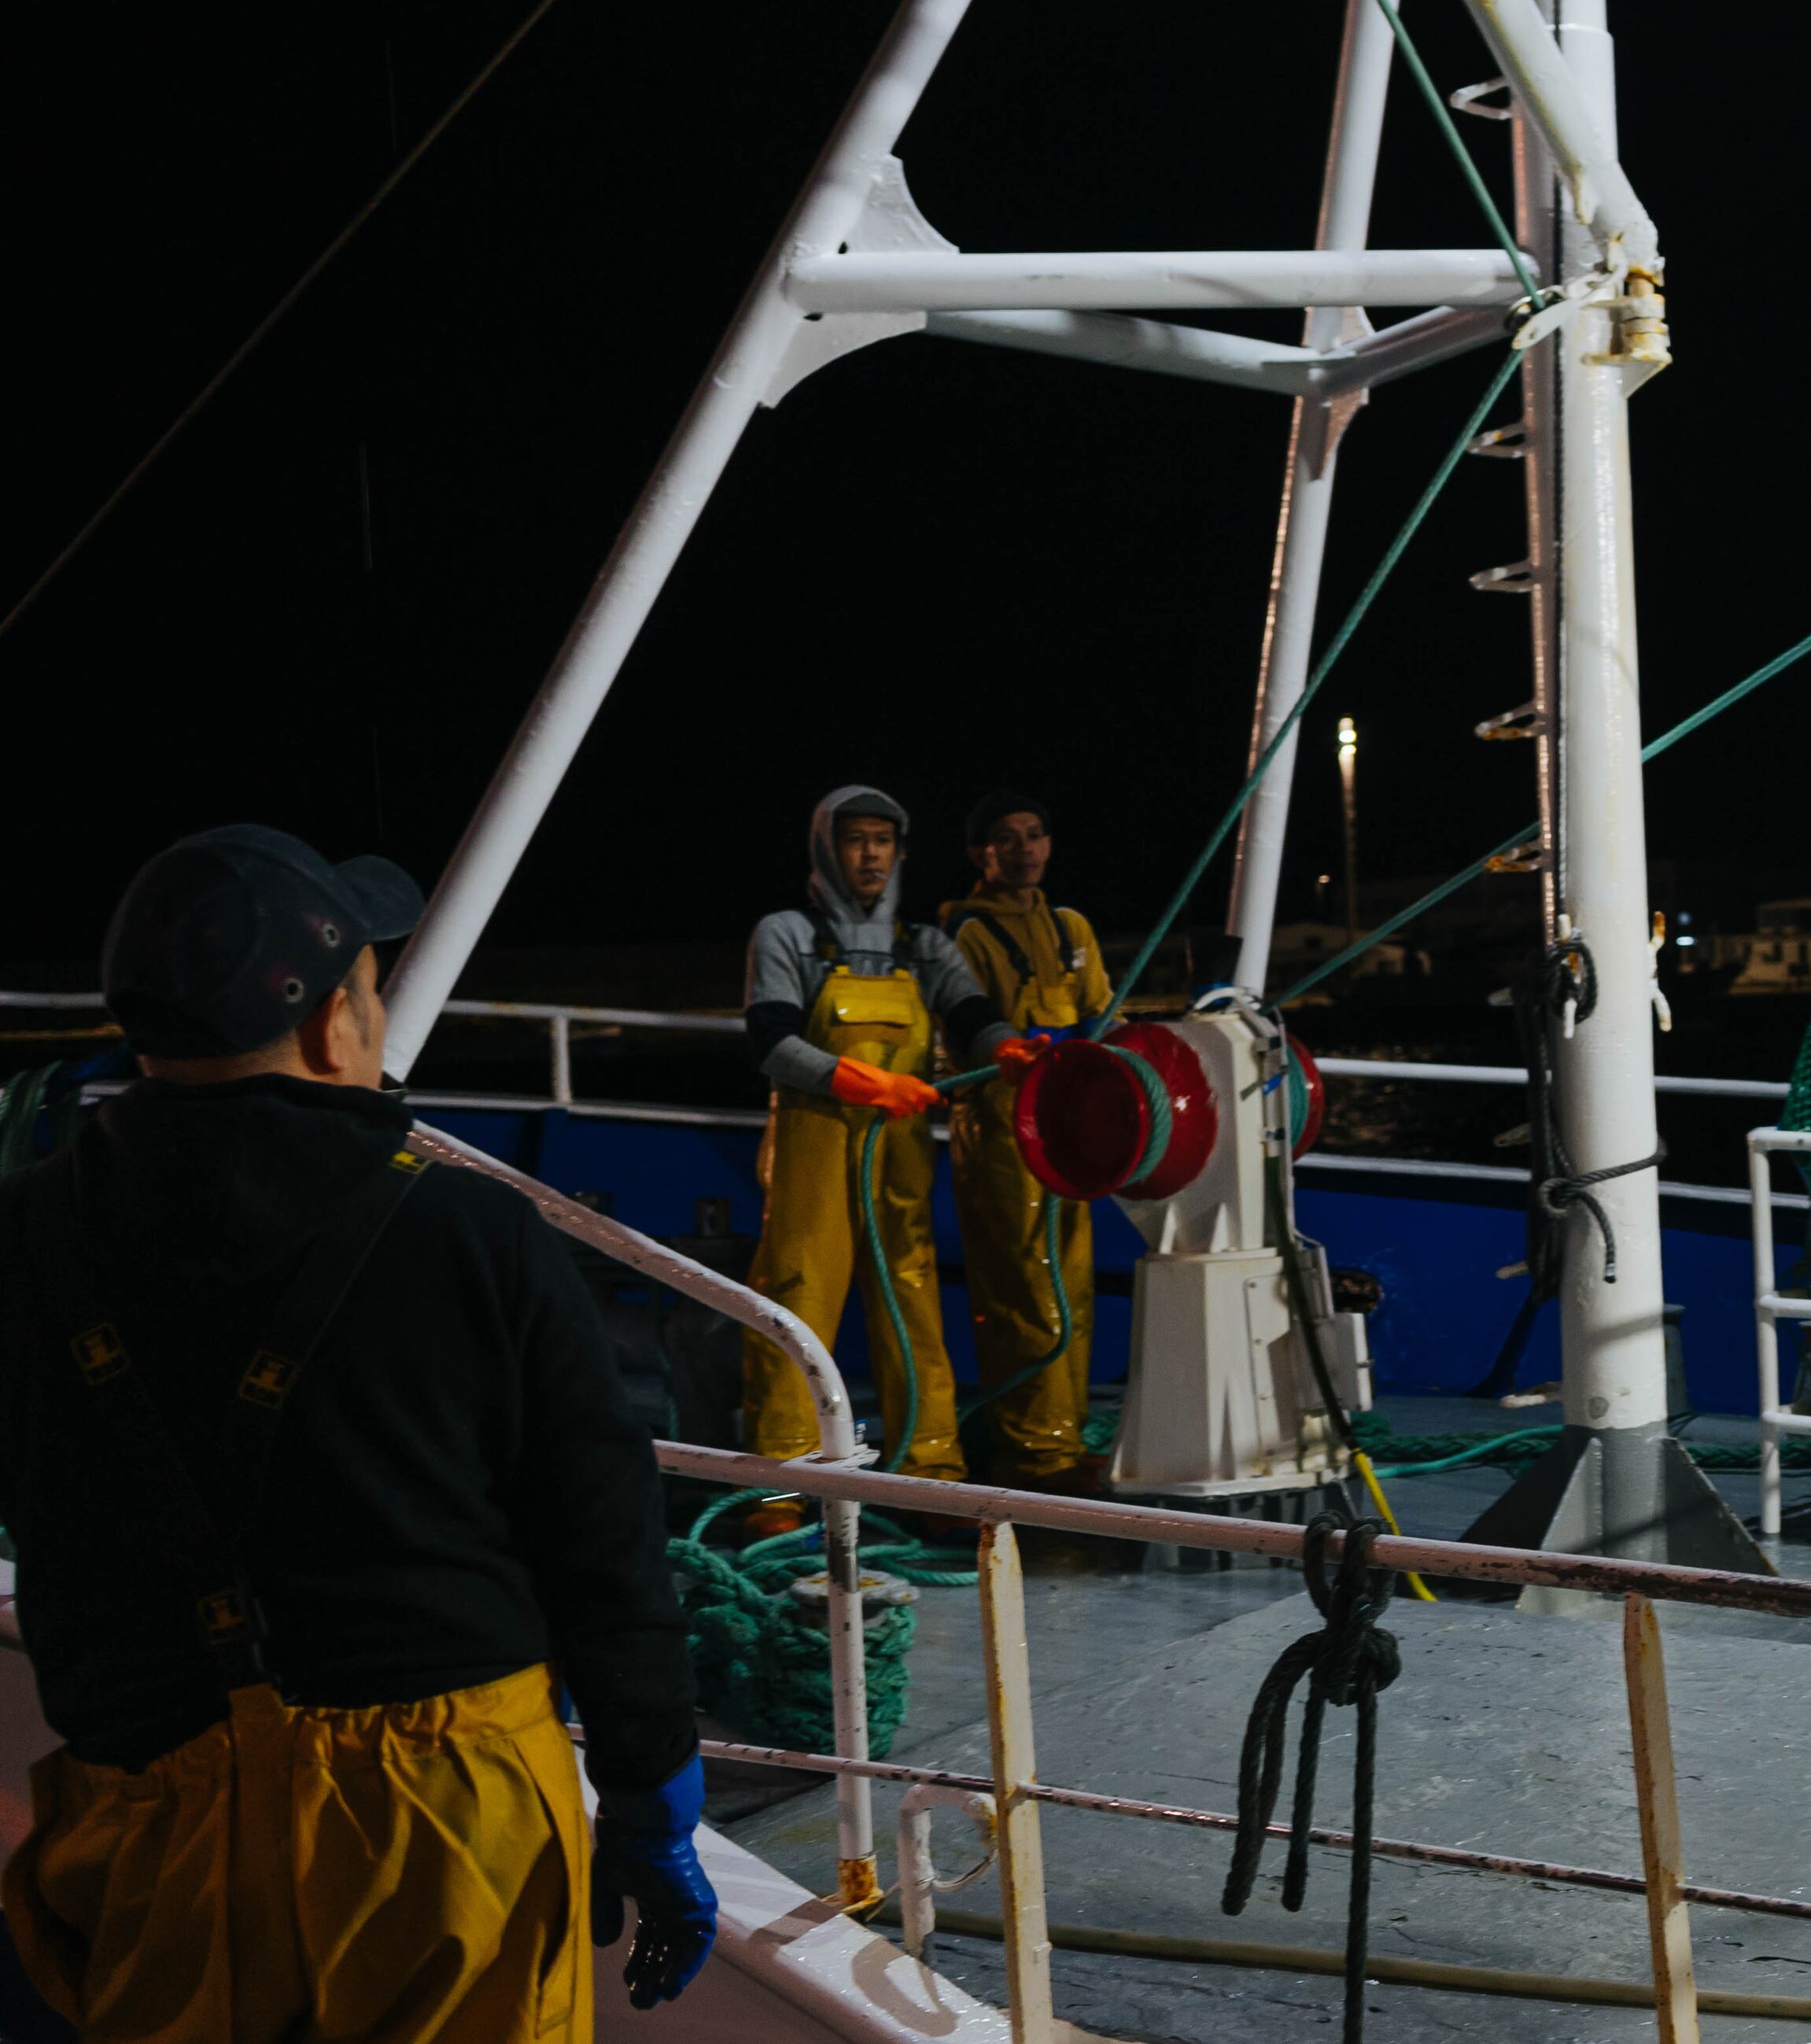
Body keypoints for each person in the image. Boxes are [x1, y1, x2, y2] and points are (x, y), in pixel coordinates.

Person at [0, 825, 714, 2037]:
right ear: (335, 1024)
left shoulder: (21, 1239)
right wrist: (651, 1797)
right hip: (446, 1818)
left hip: (149, 1814)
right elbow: (605, 1550)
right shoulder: (478, 1239)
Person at [741, 788, 1019, 1491]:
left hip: (899, 1151)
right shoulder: (786, 933)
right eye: (855, 840)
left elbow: (971, 1015)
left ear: (900, 852)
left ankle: (932, 1467)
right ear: (827, 848)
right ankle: (783, 1474)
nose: (870, 854)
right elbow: (771, 1040)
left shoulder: (925, 947)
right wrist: (869, 1085)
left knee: (913, 1295)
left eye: (883, 841)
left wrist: (1011, 1047)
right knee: (799, 1290)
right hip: (816, 1140)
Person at [939, 791, 1115, 1496]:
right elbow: (966, 1030)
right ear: (981, 852)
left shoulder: (1073, 926)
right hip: (1003, 1131)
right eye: (1006, 838)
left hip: (1070, 1127)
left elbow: (1103, 1013)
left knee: (1073, 1282)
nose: (1024, 849)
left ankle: (1063, 1436)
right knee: (1023, 1287)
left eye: (1035, 834)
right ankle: (1034, 1453)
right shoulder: (964, 933)